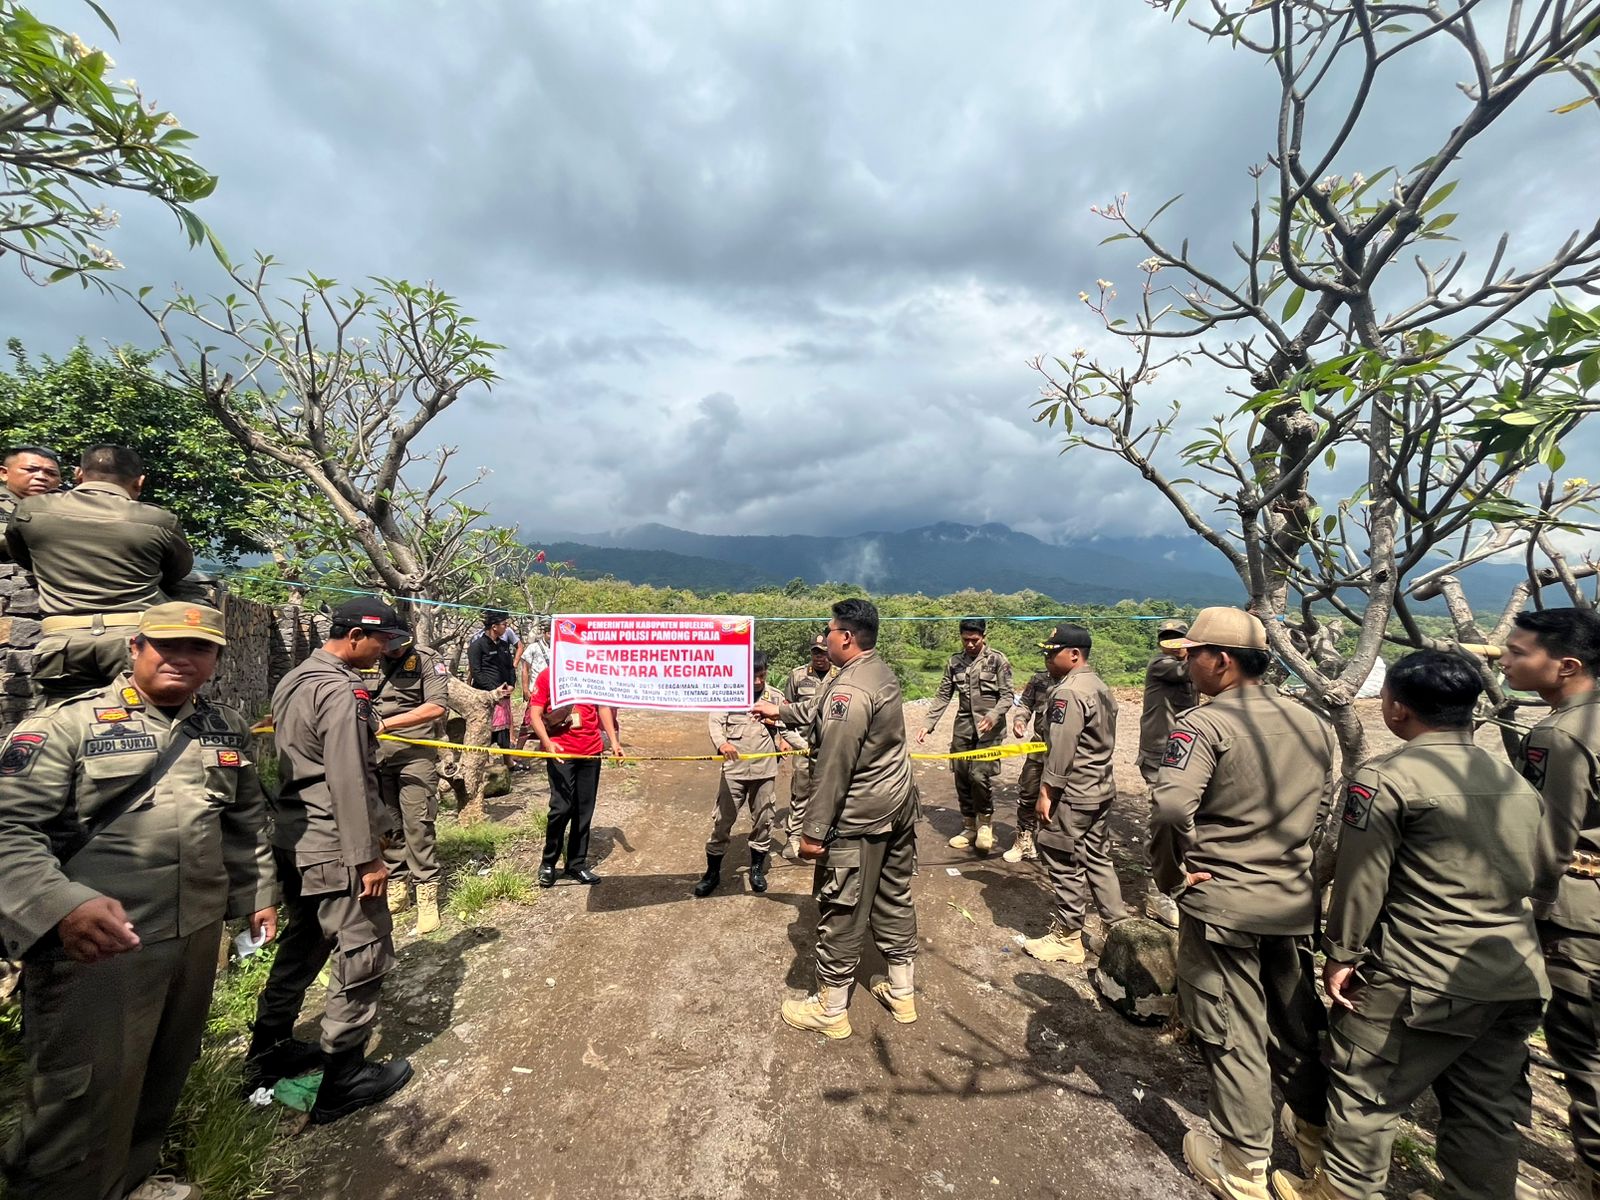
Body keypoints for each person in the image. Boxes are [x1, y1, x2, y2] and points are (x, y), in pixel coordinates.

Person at [0, 602, 277, 1200]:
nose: (181, 657)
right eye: (165, 644)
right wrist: (60, 905)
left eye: (199, 648)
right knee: (81, 1094)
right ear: (135, 649)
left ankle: (130, 1181)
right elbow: (9, 830)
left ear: (216, 660)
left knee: (161, 1072)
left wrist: (257, 895)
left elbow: (245, 820)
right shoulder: (66, 726)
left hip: (195, 935)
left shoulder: (222, 725)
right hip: (96, 949)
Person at [1271, 651, 1554, 1200]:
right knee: (1486, 1108)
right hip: (1513, 972)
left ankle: (1341, 1192)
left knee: (1365, 1089)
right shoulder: (1512, 780)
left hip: (1424, 973)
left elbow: (1362, 880)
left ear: (1397, 709)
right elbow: (1537, 871)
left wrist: (1342, 955)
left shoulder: (1386, 779)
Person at [1147, 606, 1336, 1200]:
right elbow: (1326, 809)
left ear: (1221, 661)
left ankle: (1244, 1167)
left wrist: (1173, 874)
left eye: (1192, 654)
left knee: (1232, 1034)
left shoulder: (1203, 725)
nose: (1186, 664)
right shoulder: (1313, 723)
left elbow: (1173, 808)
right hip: (1292, 902)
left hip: (1225, 903)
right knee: (1297, 1027)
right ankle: (1316, 1147)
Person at [243, 598, 414, 1125]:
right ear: (355, 636)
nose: (386, 649)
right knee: (362, 950)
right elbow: (348, 779)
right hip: (336, 844)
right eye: (382, 640)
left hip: (294, 839)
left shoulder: (295, 679)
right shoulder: (342, 689)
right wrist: (368, 860)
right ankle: (344, 1077)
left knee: (305, 942)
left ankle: (268, 1052)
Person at [755, 598, 920, 1038]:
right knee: (892, 895)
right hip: (896, 803)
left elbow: (834, 766)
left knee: (842, 905)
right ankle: (901, 993)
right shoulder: (872, 670)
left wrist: (812, 831)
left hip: (861, 815)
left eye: (829, 630)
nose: (824, 636)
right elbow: (820, 713)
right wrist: (780, 711)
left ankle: (830, 1009)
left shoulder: (849, 689)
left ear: (846, 636)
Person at [1500, 608, 1600, 1200]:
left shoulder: (1560, 736)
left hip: (1578, 914)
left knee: (1582, 1050)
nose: (1506, 661)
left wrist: (1514, 912)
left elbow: (1545, 845)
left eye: (1517, 651)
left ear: (1565, 666)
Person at [5, 444, 206, 700]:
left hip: (63, 642)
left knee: (62, 726)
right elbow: (177, 571)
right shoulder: (159, 520)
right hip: (134, 640)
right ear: (140, 482)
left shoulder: (30, 511)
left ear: (78, 474)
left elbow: (22, 555)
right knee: (146, 726)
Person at [1022, 623, 1131, 964]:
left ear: (1074, 654)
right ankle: (1118, 931)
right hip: (1098, 786)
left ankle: (1067, 936)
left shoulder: (1068, 692)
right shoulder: (1098, 685)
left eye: (1051, 653)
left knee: (1060, 856)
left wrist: (1047, 791)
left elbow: (1062, 748)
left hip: (1072, 792)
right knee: (1097, 856)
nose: (1047, 659)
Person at [692, 652, 804, 898]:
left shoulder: (774, 697)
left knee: (764, 820)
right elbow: (715, 723)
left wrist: (805, 747)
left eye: (762, 676)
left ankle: (756, 870)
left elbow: (787, 729)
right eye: (752, 677)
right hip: (734, 771)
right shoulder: (730, 693)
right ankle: (712, 873)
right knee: (722, 822)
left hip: (764, 770)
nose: (757, 682)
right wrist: (722, 744)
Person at [362, 627, 450, 936]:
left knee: (418, 823)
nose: (395, 651)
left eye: (401, 646)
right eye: (390, 647)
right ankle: (397, 885)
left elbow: (437, 705)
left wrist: (385, 724)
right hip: (375, 757)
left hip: (414, 755)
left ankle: (427, 893)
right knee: (387, 825)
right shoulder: (366, 659)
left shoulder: (426, 659)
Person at [918, 617, 1013, 853]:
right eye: (966, 640)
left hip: (990, 730)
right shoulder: (954, 662)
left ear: (983, 636)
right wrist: (928, 723)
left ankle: (985, 824)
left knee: (979, 775)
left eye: (974, 639)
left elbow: (1008, 696)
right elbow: (943, 695)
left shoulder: (997, 660)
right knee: (961, 775)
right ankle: (969, 824)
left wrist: (993, 715)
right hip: (963, 728)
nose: (970, 644)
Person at [525, 662, 623, 887]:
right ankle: (548, 863)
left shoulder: (593, 674)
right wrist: (547, 743)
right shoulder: (548, 676)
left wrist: (614, 742)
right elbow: (535, 714)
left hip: (591, 752)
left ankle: (576, 864)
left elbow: (603, 708)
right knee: (561, 808)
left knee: (583, 809)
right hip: (561, 752)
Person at [1140, 618, 1196, 927]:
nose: (1172, 642)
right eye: (1167, 637)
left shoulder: (1187, 664)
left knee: (1185, 819)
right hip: (1159, 755)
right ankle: (1156, 893)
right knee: (1160, 821)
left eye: (1179, 637)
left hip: (1184, 753)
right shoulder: (1162, 664)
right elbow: (1193, 671)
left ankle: (1177, 878)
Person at [779, 632, 833, 862]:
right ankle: (794, 837)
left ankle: (825, 838)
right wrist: (790, 741)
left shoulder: (841, 676)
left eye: (823, 652)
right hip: (803, 746)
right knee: (800, 793)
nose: (819, 657)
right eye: (815, 652)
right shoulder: (798, 676)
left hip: (831, 747)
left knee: (830, 793)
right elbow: (787, 711)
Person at [1005, 665, 1052, 863]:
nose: (1048, 658)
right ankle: (1024, 841)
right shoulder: (1040, 679)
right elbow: (1025, 704)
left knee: (1060, 798)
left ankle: (1052, 844)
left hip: (1066, 753)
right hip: (1038, 748)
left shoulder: (1077, 683)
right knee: (1028, 792)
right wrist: (1020, 721)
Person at [467, 609, 519, 762]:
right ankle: (481, 763)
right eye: (504, 624)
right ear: (494, 626)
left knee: (504, 730)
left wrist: (511, 685)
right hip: (486, 696)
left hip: (504, 695)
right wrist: (494, 690)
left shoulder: (503, 645)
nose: (506, 628)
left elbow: (510, 667)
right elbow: (477, 672)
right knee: (485, 732)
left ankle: (509, 762)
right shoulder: (477, 646)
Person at [0, 444, 62, 519]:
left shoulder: (68, 511)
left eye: (51, 473)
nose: (41, 477)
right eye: (30, 470)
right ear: (4, 473)